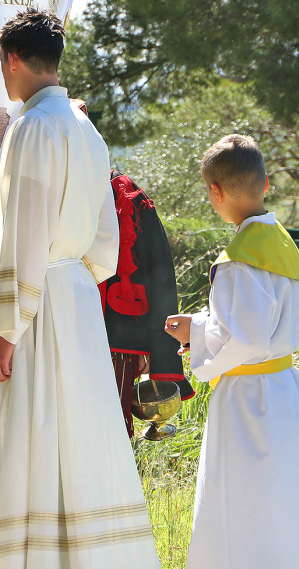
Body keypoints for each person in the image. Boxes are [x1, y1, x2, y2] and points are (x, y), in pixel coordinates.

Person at [0, 9, 159, 567]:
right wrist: (65, 268)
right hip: (78, 297)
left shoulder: (32, 126)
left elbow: (30, 227)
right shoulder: (86, 128)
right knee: (79, 434)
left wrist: (7, 331)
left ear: (12, 59)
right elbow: (105, 236)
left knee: (32, 437)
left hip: (37, 307)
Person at [165, 134, 299, 569]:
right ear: (266, 183)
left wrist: (194, 333)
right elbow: (297, 308)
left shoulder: (239, 258)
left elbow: (247, 339)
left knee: (242, 507)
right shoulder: (282, 242)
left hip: (249, 399)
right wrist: (202, 326)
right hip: (285, 389)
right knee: (286, 506)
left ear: (215, 192)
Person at [101, 169, 194, 436]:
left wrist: (153, 347)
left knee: (111, 430)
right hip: (56, 328)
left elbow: (157, 274)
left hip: (114, 338)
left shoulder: (123, 193)